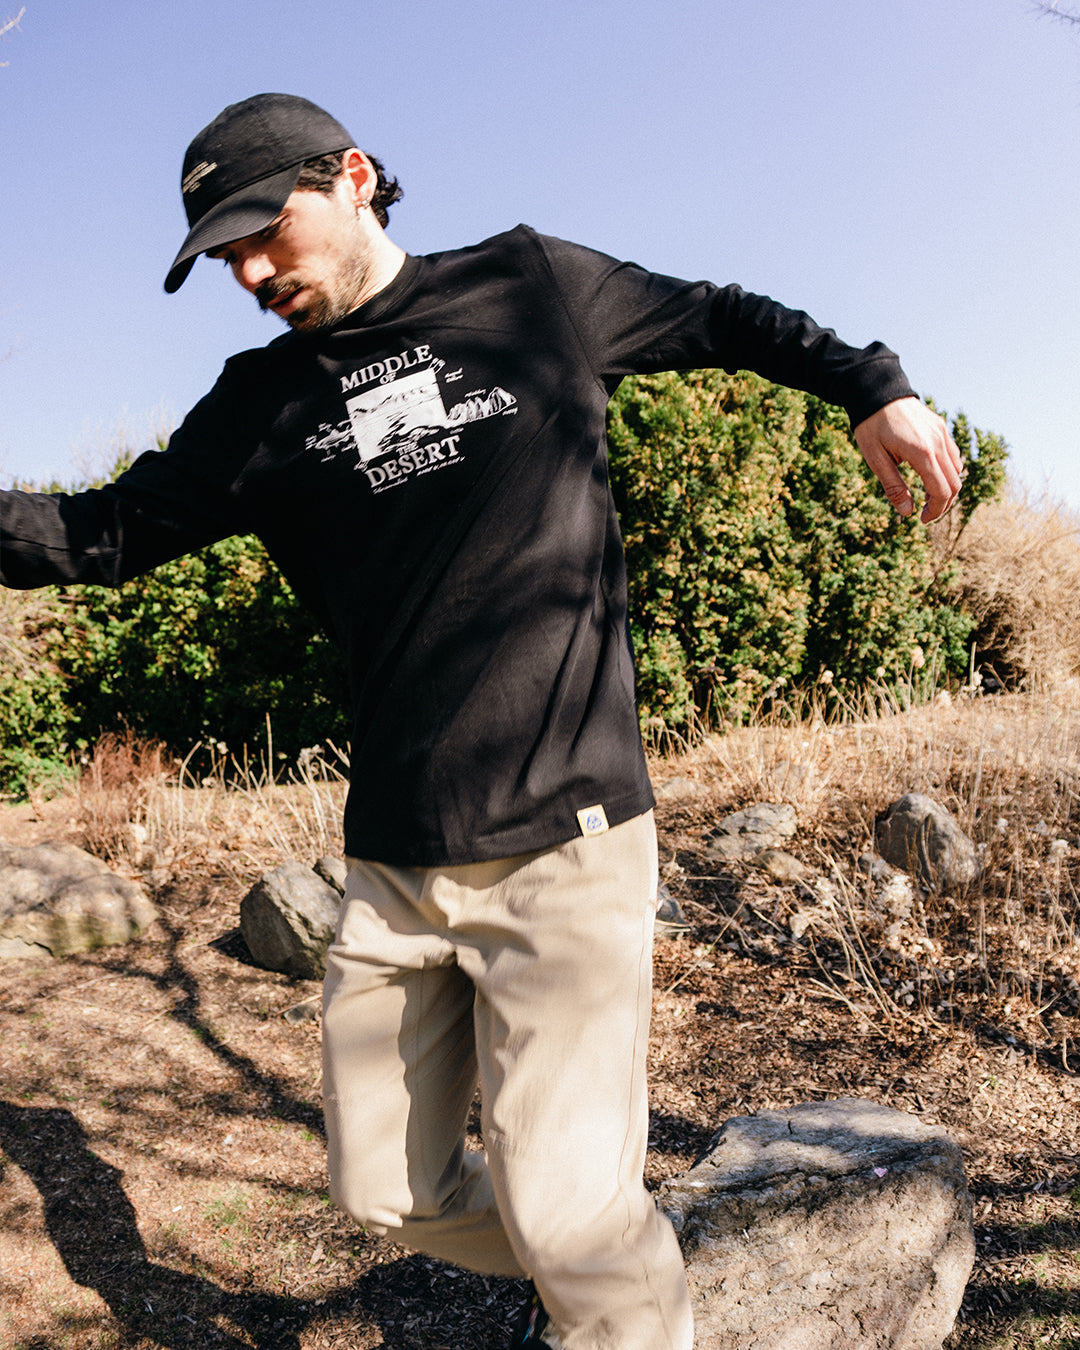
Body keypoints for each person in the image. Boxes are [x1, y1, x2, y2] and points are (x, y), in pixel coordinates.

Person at [0, 94, 963, 1350]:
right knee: (386, 1188)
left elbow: (726, 316)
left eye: (262, 231)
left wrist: (872, 385)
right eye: (222, 256)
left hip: (566, 839)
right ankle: (628, 1262)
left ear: (351, 177)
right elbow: (100, 533)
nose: (247, 271)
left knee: (573, 1229)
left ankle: (613, 1286)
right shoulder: (259, 407)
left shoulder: (532, 288)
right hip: (396, 860)